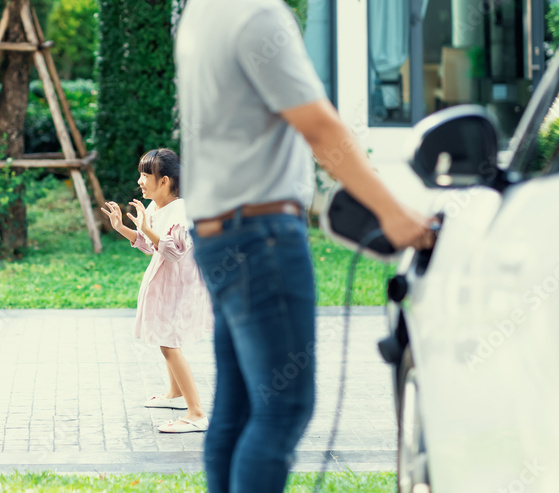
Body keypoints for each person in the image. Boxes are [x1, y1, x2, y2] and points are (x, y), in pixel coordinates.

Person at [175, 1, 434, 492]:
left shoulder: (202, 12)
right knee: (284, 405)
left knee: (237, 408)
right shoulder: (258, 15)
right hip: (261, 236)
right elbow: (320, 127)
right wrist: (394, 214)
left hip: (218, 233)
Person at [100, 148, 214, 433]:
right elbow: (150, 246)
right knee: (168, 338)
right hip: (167, 284)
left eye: (145, 175)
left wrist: (146, 228)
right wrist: (122, 227)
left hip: (181, 286)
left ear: (164, 181)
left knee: (169, 344)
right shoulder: (157, 206)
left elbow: (174, 251)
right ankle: (175, 395)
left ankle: (197, 413)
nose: (140, 180)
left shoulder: (182, 210)